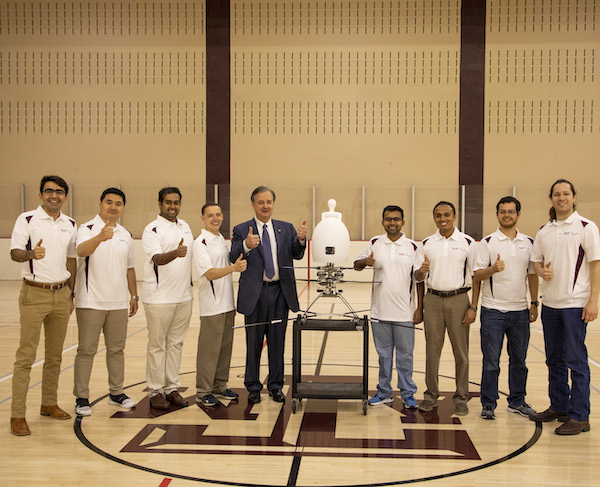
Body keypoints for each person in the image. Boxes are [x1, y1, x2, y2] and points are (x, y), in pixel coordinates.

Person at [529, 179, 600, 435]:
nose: (561, 198)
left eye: (566, 194)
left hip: (574, 305)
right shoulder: (545, 230)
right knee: (554, 360)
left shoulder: (586, 227)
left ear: (573, 197)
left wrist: (593, 300)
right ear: (551, 199)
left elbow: (595, 264)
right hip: (551, 306)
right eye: (557, 194)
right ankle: (559, 406)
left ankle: (580, 416)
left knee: (576, 361)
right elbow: (535, 263)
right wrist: (541, 272)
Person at [9, 175, 77, 436]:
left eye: (59, 192)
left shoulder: (70, 223)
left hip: (61, 295)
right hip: (34, 294)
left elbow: (71, 260)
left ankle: (48, 403)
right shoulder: (27, 219)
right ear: (40, 195)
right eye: (49, 191)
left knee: (55, 356)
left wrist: (71, 292)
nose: (54, 196)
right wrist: (31, 254)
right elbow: (15, 253)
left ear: (65, 196)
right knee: (25, 357)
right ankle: (17, 415)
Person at [230, 186, 307, 404]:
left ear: (273, 203)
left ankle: (275, 386)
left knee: (277, 342)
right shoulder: (241, 229)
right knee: (253, 343)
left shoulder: (286, 228)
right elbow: (232, 256)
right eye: (260, 202)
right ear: (253, 204)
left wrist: (301, 240)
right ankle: (253, 386)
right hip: (254, 294)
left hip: (279, 293)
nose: (265, 206)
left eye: (269, 202)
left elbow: (296, 254)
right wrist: (246, 245)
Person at [72, 188, 138, 416]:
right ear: (100, 204)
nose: (113, 207)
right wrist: (100, 237)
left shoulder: (126, 234)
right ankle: (81, 398)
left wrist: (134, 295)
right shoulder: (86, 229)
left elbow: (130, 268)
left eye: (118, 203)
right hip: (91, 302)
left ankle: (116, 393)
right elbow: (81, 251)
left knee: (117, 350)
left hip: (118, 303)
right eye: (109, 202)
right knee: (86, 350)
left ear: (122, 208)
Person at [473, 196, 539, 420]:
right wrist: (493, 269)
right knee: (491, 361)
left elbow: (531, 275)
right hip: (492, 311)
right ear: (497, 214)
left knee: (519, 361)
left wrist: (533, 302)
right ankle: (488, 403)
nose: (507, 215)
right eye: (503, 211)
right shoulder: (488, 242)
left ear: (518, 214)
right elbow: (477, 275)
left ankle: (517, 401)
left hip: (520, 312)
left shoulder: (529, 242)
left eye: (511, 211)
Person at [354, 205, 426, 409]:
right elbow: (356, 265)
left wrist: (419, 308)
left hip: (405, 313)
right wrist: (364, 262)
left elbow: (419, 279)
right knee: (384, 356)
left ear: (403, 222)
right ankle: (384, 392)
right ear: (383, 221)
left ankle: (407, 393)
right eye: (388, 219)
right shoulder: (375, 242)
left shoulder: (413, 247)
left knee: (405, 356)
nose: (392, 222)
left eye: (396, 219)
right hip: (380, 312)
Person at [418, 201, 479, 416]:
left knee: (461, 352)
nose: (442, 218)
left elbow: (476, 276)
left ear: (454, 216)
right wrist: (420, 272)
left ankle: (461, 397)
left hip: (459, 299)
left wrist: (473, 306)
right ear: (434, 217)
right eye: (438, 215)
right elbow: (418, 277)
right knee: (432, 351)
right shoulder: (426, 243)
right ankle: (430, 395)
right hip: (433, 300)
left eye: (446, 214)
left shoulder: (467, 242)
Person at [141, 187, 194, 410]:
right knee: (156, 346)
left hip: (184, 297)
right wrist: (175, 253)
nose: (172, 206)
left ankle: (172, 388)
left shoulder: (186, 226)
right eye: (168, 202)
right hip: (159, 298)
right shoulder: (151, 229)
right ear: (160, 204)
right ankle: (155, 391)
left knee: (175, 345)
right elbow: (157, 258)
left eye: (176, 202)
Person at [194, 203, 247, 406]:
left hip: (227, 305)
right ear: (203, 218)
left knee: (225, 349)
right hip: (211, 307)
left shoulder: (220, 240)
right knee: (209, 351)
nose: (215, 218)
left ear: (222, 216)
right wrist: (233, 268)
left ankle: (220, 385)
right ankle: (203, 390)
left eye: (218, 214)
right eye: (210, 215)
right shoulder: (200, 243)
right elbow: (209, 273)